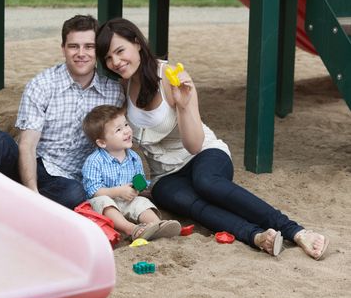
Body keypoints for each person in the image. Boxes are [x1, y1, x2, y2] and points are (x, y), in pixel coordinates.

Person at [95, 17, 329, 260]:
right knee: (180, 199)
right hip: (165, 174)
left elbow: (194, 145)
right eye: (108, 58)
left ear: (138, 43)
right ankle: (257, 237)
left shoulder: (172, 77)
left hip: (203, 154)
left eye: (120, 51)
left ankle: (296, 231)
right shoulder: (124, 85)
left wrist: (184, 106)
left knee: (207, 183)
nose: (116, 62)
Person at [0, 14, 125, 210]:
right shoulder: (42, 85)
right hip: (30, 165)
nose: (81, 53)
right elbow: (27, 146)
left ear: (98, 50)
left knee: (75, 193)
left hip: (65, 181)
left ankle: (11, 200)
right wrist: (32, 193)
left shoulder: (113, 92)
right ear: (63, 48)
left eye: (89, 46)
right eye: (73, 46)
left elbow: (119, 142)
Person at [81, 105, 181, 241]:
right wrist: (117, 192)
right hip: (107, 202)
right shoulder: (94, 161)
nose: (127, 131)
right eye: (118, 130)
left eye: (126, 125)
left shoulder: (133, 157)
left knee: (142, 202)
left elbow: (139, 180)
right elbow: (93, 190)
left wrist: (137, 188)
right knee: (103, 202)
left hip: (127, 200)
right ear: (102, 142)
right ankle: (131, 229)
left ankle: (156, 225)